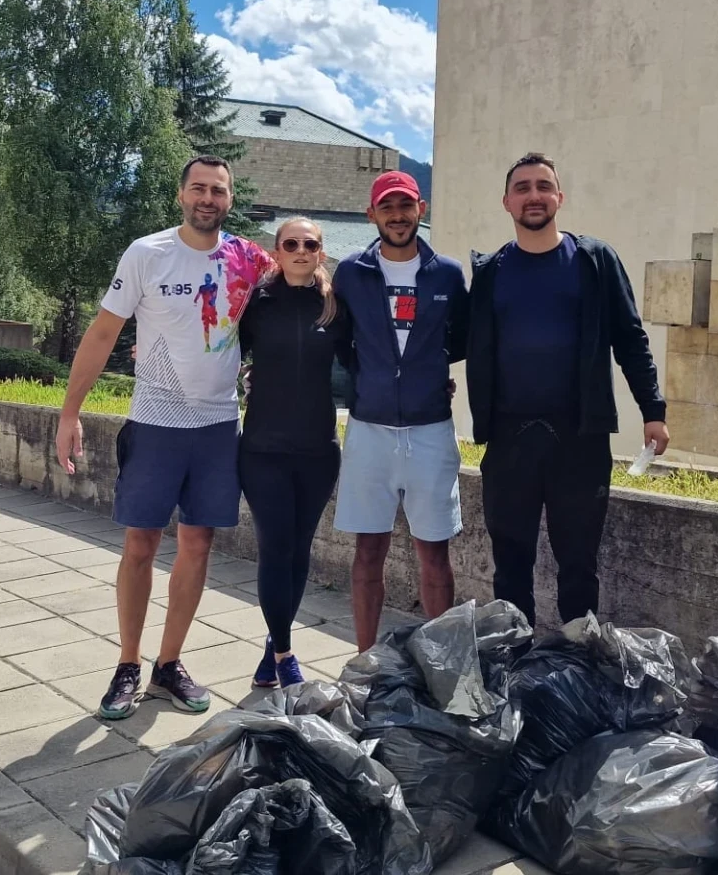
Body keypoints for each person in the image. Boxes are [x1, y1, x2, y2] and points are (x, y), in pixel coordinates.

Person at [55, 154, 272, 720]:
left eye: (218, 190)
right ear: (181, 195)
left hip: (220, 424)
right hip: (155, 420)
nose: (208, 198)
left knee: (198, 544)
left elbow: (304, 279)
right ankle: (128, 664)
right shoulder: (147, 253)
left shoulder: (248, 258)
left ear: (229, 197)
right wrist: (69, 412)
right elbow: (103, 333)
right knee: (140, 545)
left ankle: (168, 663)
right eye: (198, 188)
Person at [464, 152, 668, 627]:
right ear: (506, 202)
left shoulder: (595, 261)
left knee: (578, 564)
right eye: (522, 188)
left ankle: (578, 665)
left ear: (559, 197)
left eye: (542, 186)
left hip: (581, 438)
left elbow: (630, 338)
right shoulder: (491, 271)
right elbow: (457, 340)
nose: (533, 195)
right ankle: (513, 659)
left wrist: (652, 409)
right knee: (510, 565)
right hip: (509, 437)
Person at [333, 170, 470, 651]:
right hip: (369, 430)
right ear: (371, 214)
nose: (397, 215)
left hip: (430, 431)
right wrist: (376, 378)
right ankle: (365, 661)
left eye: (405, 205)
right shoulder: (351, 272)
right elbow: (340, 341)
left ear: (421, 210)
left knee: (434, 553)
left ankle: (445, 666)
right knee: (368, 551)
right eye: (386, 207)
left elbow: (462, 339)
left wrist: (427, 371)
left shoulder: (448, 274)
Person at [238, 216, 350, 689]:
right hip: (263, 448)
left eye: (310, 244)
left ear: (320, 252)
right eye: (291, 243)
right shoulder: (257, 304)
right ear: (277, 251)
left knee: (300, 549)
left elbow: (371, 361)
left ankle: (273, 644)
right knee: (275, 547)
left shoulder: (334, 306)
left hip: (318, 450)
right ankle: (285, 656)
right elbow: (216, 349)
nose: (301, 250)